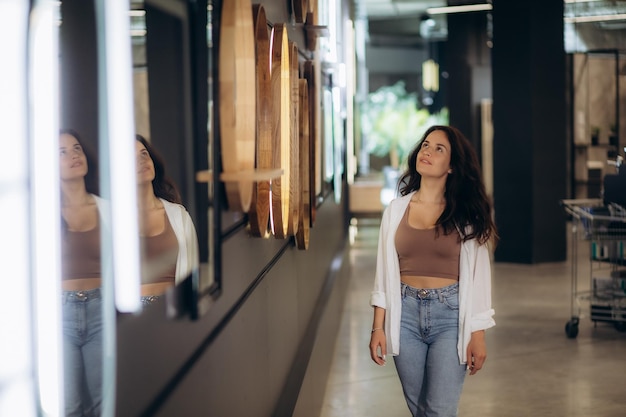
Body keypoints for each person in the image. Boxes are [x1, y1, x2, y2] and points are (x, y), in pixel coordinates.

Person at [368, 125, 498, 417]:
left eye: (439, 149)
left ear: (452, 166)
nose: (427, 151)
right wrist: (378, 327)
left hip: (450, 317)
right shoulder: (396, 209)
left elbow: (479, 278)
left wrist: (478, 334)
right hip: (404, 317)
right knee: (420, 410)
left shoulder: (467, 214)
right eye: (426, 145)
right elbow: (383, 273)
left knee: (439, 410)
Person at [59, 129, 105, 416]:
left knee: (105, 403)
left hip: (102, 311)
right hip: (57, 317)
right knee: (69, 407)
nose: (74, 155)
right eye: (62, 152)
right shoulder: (38, 213)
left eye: (76, 148)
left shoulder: (109, 209)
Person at [135, 134, 199, 305]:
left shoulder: (179, 215)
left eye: (143, 154)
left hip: (172, 308)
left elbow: (192, 270)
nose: (141, 160)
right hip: (133, 315)